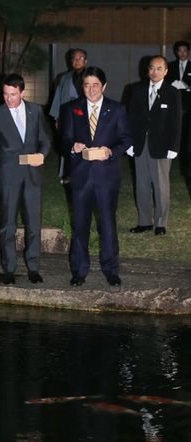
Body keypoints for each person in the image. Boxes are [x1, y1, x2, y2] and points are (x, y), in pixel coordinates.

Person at [60, 66, 132, 287]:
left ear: (104, 86)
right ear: (82, 86)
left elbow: (126, 139)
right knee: (80, 225)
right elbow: (62, 140)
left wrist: (112, 152)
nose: (91, 90)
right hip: (81, 177)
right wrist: (73, 146)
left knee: (107, 225)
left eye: (95, 85)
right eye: (86, 85)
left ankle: (111, 270)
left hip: (106, 177)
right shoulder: (71, 108)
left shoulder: (117, 109)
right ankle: (79, 270)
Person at [0, 73, 51, 285]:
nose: (8, 98)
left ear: (22, 92)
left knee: (33, 223)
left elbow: (45, 140)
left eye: (13, 94)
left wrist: (42, 154)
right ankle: (10, 269)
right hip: (9, 175)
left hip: (32, 174)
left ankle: (33, 267)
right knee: (8, 225)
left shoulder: (36, 111)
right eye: (5, 94)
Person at [128, 55, 182, 236]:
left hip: (161, 147)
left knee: (161, 186)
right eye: (152, 68)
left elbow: (176, 122)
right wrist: (129, 143)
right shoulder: (136, 90)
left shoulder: (172, 92)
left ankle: (161, 223)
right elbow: (130, 119)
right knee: (142, 184)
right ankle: (144, 222)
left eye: (159, 68)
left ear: (166, 71)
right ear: (147, 70)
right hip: (140, 145)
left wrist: (173, 147)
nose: (155, 72)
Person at [50, 48, 88, 183]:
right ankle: (67, 174)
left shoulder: (90, 77)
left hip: (85, 117)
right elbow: (58, 98)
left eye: (80, 58)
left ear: (86, 61)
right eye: (74, 58)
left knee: (85, 143)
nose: (77, 61)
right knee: (68, 144)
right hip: (68, 117)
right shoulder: (64, 78)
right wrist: (57, 117)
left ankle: (84, 173)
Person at [165, 41, 191, 176]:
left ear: (188, 52)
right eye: (179, 51)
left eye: (185, 51)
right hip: (173, 106)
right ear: (176, 52)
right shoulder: (170, 67)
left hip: (188, 107)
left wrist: (187, 87)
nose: (182, 53)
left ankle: (185, 162)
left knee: (187, 136)